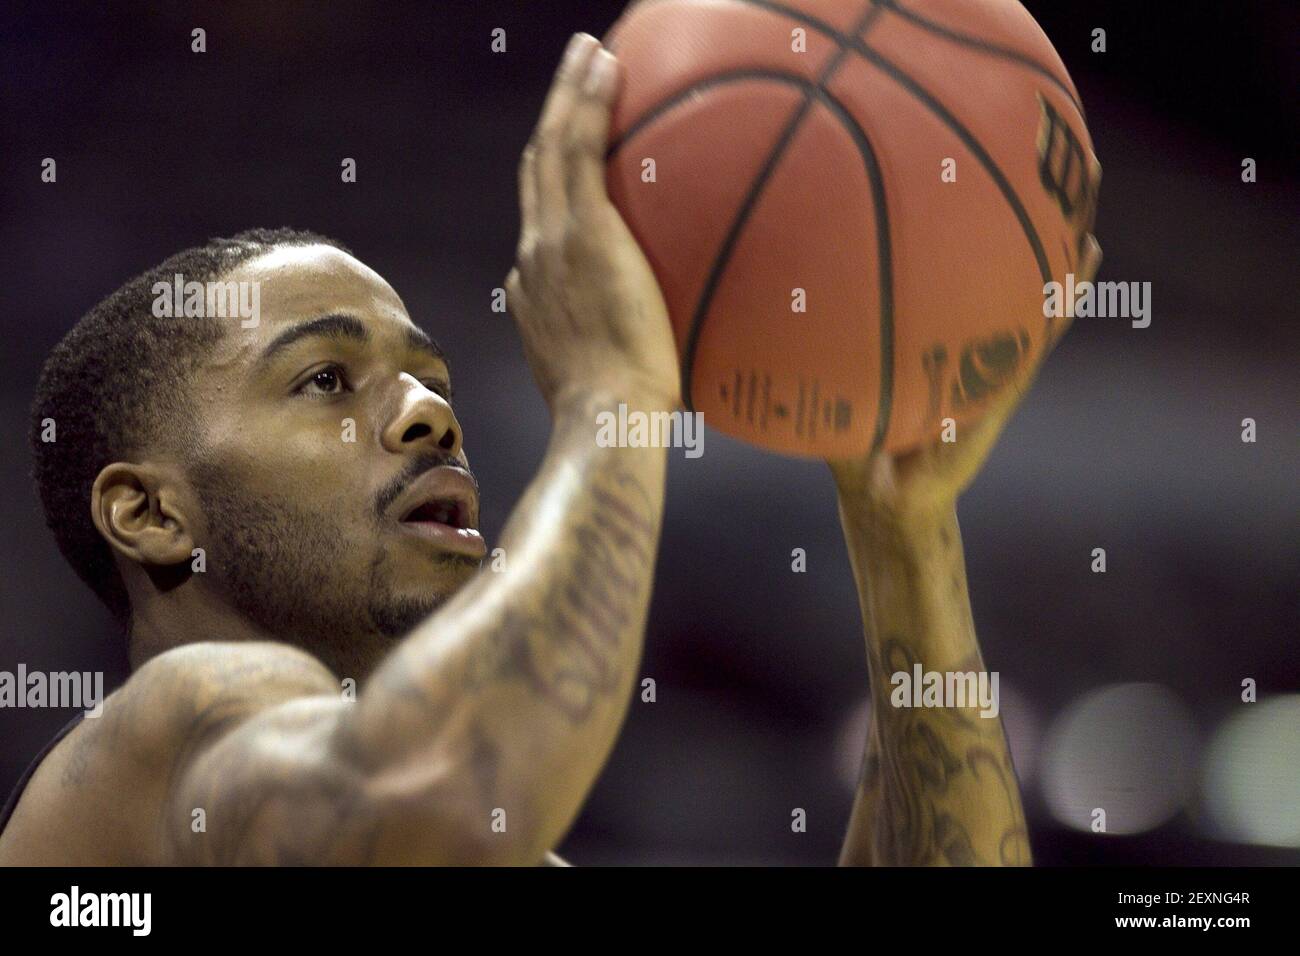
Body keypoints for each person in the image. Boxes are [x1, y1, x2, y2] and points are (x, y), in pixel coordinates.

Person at [0, 32, 1099, 865]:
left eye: (432, 380)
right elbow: (428, 794)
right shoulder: (169, 727)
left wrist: (899, 531)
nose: (430, 415)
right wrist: (612, 393)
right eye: (325, 380)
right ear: (149, 513)